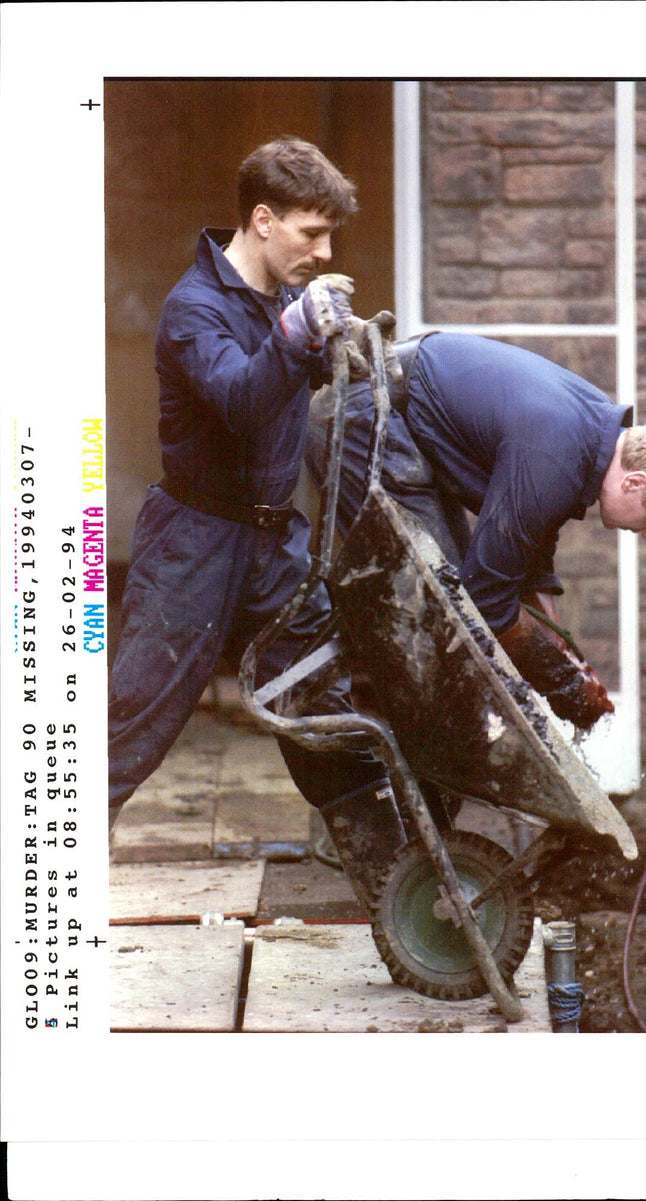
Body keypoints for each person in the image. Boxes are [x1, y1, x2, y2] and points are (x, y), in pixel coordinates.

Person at [108, 137, 407, 909]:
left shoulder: (281, 297)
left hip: (274, 545)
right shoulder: (193, 308)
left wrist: (347, 348)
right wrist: (295, 334)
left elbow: (294, 381)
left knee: (322, 706)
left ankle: (398, 893)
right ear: (264, 220)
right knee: (131, 721)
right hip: (193, 546)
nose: (325, 250)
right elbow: (241, 402)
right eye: (312, 233)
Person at [304, 329, 646, 727]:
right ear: (635, 483)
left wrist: (544, 611)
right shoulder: (555, 458)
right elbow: (484, 598)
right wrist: (563, 684)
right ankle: (383, 758)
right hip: (364, 417)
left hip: (399, 422)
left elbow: (532, 525)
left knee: (452, 598)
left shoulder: (590, 435)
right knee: (441, 611)